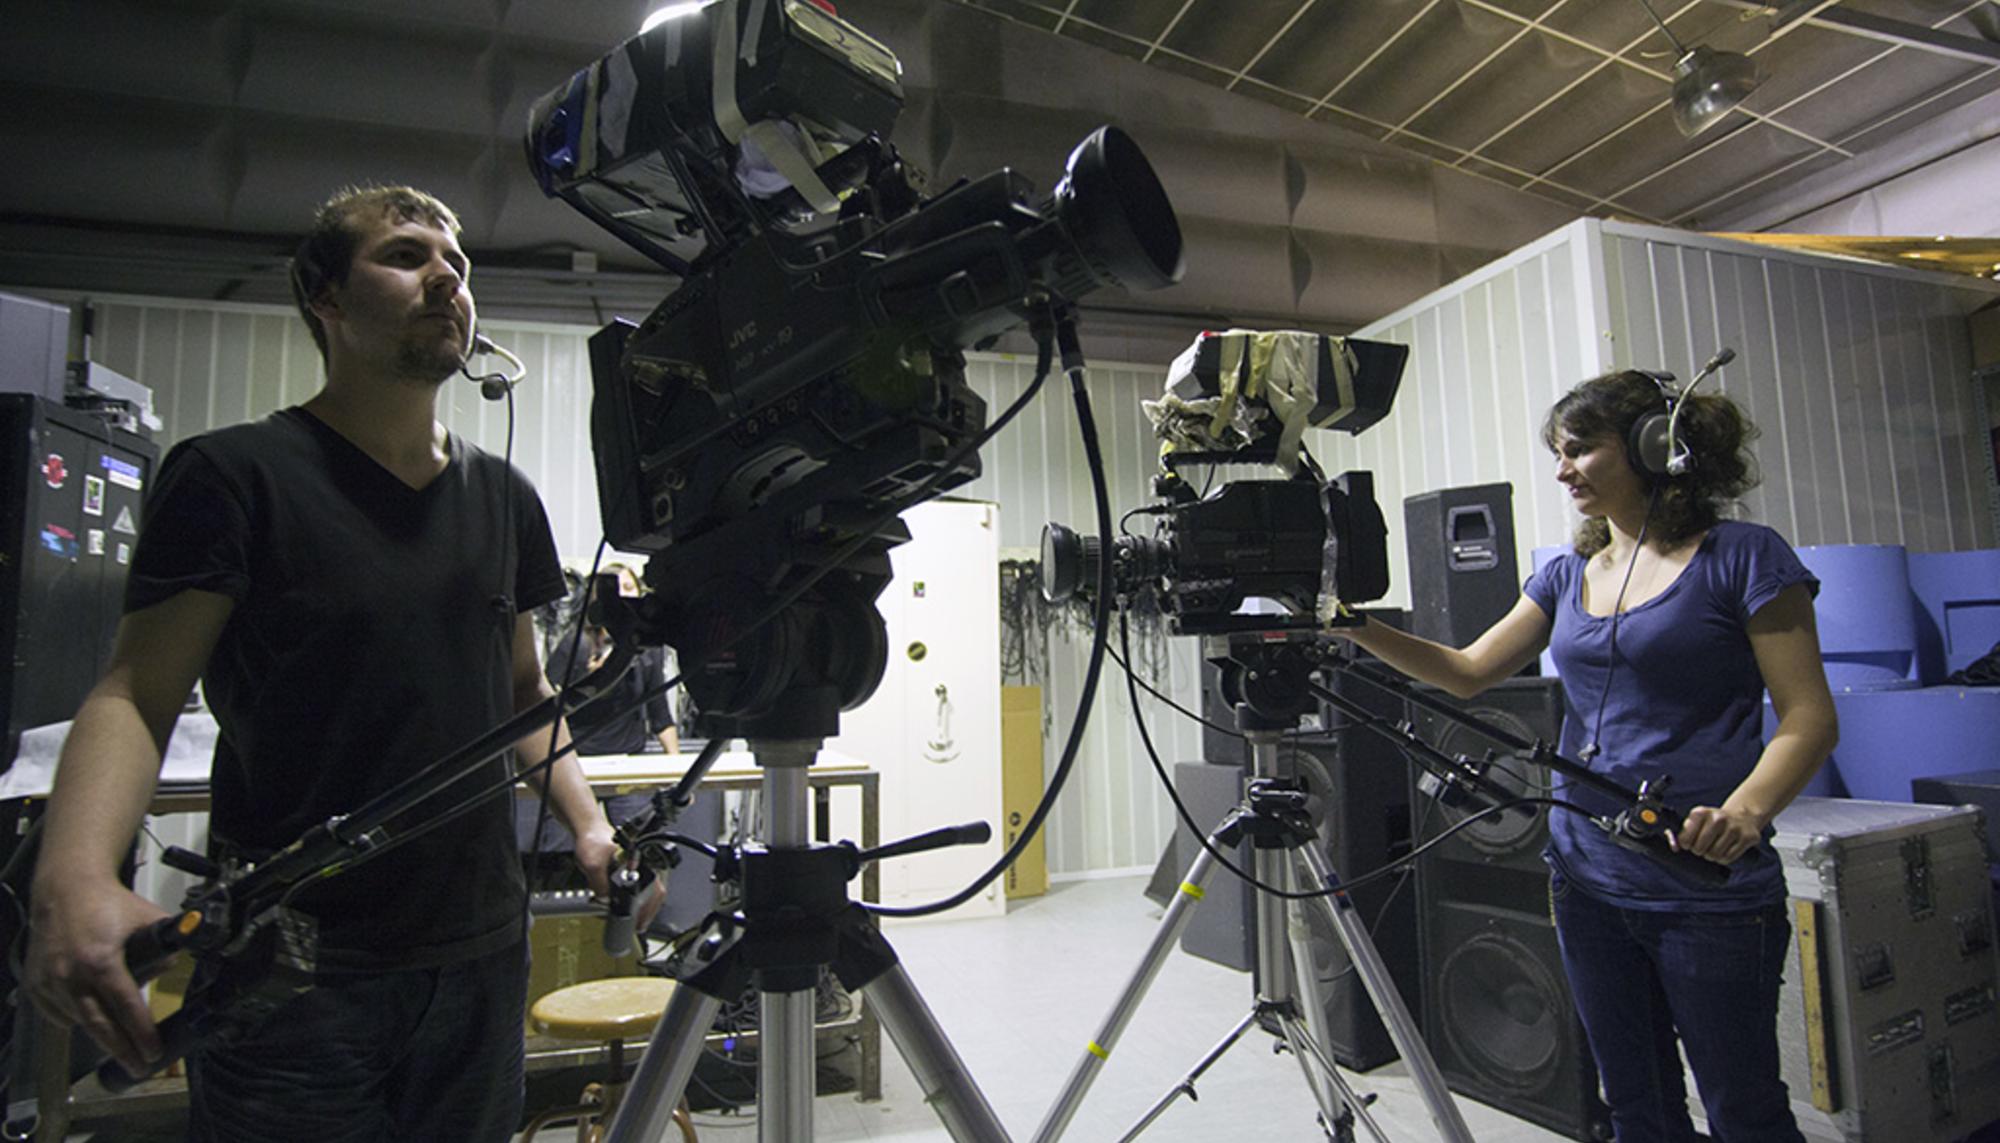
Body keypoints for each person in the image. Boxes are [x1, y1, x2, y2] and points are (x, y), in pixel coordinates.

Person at [24, 185, 630, 1142]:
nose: (446, 280)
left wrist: (589, 825)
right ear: (328, 301)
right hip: (297, 975)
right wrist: (75, 871)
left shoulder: (505, 497)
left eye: (458, 266)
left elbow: (524, 692)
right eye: (406, 255)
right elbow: (137, 693)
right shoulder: (234, 476)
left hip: (479, 956)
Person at [1339, 369, 1837, 1142]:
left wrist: (1746, 810)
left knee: (1743, 1110)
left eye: (1579, 449)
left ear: (1652, 444)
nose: (1563, 469)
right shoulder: (1566, 574)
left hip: (1702, 890)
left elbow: (1808, 717)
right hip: (1585, 881)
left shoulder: (1744, 556)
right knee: (1634, 1103)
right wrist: (1350, 623)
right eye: (1558, 454)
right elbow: (1469, 670)